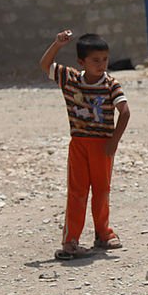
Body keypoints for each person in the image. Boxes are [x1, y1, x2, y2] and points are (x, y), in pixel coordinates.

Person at [39, 30, 130, 260]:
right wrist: (57, 44)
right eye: (95, 60)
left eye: (105, 59)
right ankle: (70, 242)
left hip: (102, 146)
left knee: (102, 191)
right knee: (77, 192)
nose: (102, 65)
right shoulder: (69, 79)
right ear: (82, 62)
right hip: (79, 145)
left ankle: (103, 234)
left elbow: (125, 112)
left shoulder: (110, 84)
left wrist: (114, 141)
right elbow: (45, 64)